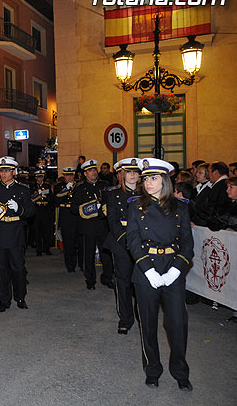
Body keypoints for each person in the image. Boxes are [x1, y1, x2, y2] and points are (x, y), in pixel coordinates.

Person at [126, 158, 194, 391]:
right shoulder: (135, 206)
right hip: (147, 271)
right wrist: (149, 271)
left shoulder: (181, 207)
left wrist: (176, 269)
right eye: (145, 178)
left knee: (177, 323)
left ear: (165, 180)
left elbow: (187, 244)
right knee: (148, 324)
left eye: (153, 178)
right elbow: (133, 241)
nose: (148, 183)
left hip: (173, 269)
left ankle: (180, 371)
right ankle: (152, 370)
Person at [0, 156, 35, 312]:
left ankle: (20, 297)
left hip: (16, 232)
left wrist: (19, 209)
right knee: (1, 269)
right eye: (1, 171)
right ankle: (4, 300)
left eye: (7, 171)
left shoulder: (22, 189)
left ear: (14, 171)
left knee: (18, 268)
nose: (3, 174)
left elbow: (31, 212)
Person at [104, 158, 141, 335]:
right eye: (129, 172)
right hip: (122, 243)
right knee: (123, 282)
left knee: (142, 284)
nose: (132, 175)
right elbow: (112, 220)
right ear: (122, 174)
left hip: (143, 244)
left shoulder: (147, 193)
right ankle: (125, 318)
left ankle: (142, 316)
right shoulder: (113, 194)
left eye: (135, 172)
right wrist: (126, 241)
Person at [71, 159, 114, 290]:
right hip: (88, 227)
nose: (93, 172)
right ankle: (90, 279)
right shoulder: (80, 188)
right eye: (90, 170)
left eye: (94, 169)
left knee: (106, 254)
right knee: (88, 254)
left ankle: (107, 277)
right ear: (85, 174)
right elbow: (73, 208)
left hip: (103, 226)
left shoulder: (105, 185)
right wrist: (87, 209)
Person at [53, 167, 82, 272]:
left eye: (71, 175)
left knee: (79, 242)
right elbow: (56, 199)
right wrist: (66, 189)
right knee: (68, 243)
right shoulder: (59, 187)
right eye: (67, 175)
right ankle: (70, 265)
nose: (69, 177)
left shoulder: (78, 187)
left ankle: (81, 264)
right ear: (64, 176)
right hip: (66, 216)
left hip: (77, 216)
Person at [30, 169, 54, 256]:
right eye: (38, 177)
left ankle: (46, 248)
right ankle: (39, 249)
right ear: (36, 177)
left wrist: (46, 196)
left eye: (42, 177)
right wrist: (37, 195)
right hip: (37, 210)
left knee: (46, 230)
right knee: (37, 231)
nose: (40, 179)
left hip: (45, 209)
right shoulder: (32, 186)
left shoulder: (47, 186)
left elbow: (51, 198)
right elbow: (30, 198)